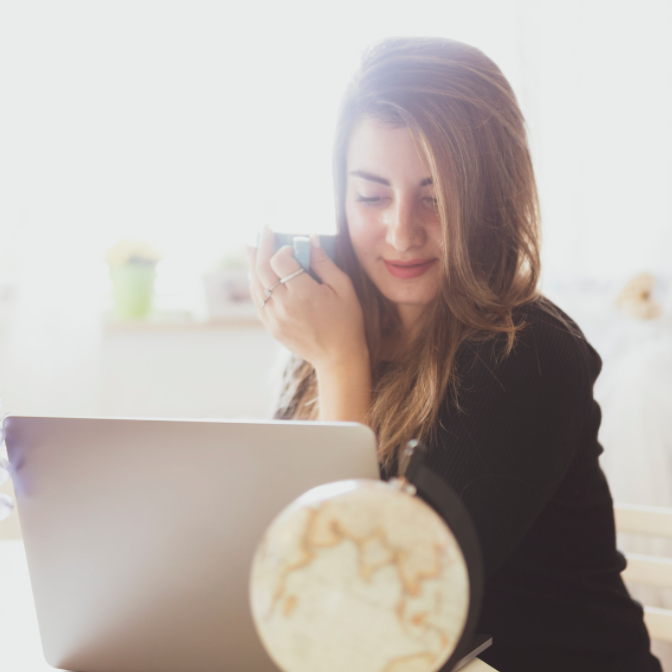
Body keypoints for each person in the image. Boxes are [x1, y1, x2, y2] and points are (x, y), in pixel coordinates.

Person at [247, 37, 662, 672]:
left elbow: (367, 618)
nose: (402, 231)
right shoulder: (332, 324)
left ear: (492, 197)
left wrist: (340, 364)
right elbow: (286, 565)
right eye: (371, 195)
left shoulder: (530, 353)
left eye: (435, 196)